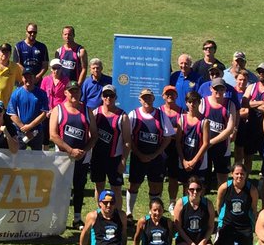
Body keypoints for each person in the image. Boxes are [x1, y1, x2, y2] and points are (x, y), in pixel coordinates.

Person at [50, 81, 94, 229]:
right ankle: (56, 218)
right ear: (66, 93)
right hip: (63, 157)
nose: (74, 94)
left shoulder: (87, 111)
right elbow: (53, 135)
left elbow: (94, 135)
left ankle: (77, 218)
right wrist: (70, 151)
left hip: (81, 157)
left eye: (77, 91)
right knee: (60, 188)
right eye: (71, 91)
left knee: (79, 187)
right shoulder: (58, 110)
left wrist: (84, 151)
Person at [126, 88, 174, 218]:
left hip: (156, 158)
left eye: (149, 97)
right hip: (138, 156)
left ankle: (153, 213)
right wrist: (138, 153)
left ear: (153, 99)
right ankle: (129, 212)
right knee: (134, 184)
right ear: (140, 100)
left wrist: (156, 154)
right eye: (144, 98)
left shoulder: (161, 115)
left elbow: (168, 137)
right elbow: (128, 136)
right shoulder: (133, 115)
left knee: (156, 186)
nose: (147, 100)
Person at [217, 163, 259, 245]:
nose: (239, 176)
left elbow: (254, 209)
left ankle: (241, 243)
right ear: (232, 174)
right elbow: (218, 205)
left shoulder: (252, 190)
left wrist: (255, 226)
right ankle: (231, 241)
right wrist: (221, 220)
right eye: (237, 173)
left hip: (244, 226)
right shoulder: (224, 187)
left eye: (242, 174)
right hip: (228, 224)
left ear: (246, 174)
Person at [90, 85, 127, 198]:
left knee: (116, 189)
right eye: (106, 95)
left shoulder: (122, 116)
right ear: (102, 97)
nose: (108, 98)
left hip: (114, 158)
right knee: (99, 186)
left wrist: (123, 161)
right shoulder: (95, 113)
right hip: (97, 157)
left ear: (116, 97)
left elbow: (127, 142)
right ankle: (100, 212)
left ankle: (117, 215)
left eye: (111, 95)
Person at [200, 77, 237, 187]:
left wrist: (211, 142)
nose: (218, 92)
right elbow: (198, 122)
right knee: (203, 176)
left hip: (222, 146)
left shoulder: (230, 105)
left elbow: (230, 129)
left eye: (221, 89)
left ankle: (222, 201)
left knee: (222, 178)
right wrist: (206, 142)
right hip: (205, 146)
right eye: (216, 89)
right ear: (211, 88)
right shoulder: (203, 102)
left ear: (225, 90)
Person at [175, 177, 217, 245]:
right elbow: (178, 227)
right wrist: (191, 244)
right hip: (185, 240)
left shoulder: (208, 204)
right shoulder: (181, 203)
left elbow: (211, 227)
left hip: (203, 239)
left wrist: (203, 242)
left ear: (201, 190)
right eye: (192, 189)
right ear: (187, 190)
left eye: (198, 189)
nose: (195, 192)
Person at [175, 91, 210, 201]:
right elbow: (178, 142)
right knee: (186, 186)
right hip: (185, 159)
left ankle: (200, 210)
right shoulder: (181, 119)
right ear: (186, 103)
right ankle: (186, 210)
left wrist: (194, 161)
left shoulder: (204, 121)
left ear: (199, 103)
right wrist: (183, 160)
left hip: (199, 161)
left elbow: (206, 144)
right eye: (189, 102)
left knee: (199, 188)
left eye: (194, 102)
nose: (192, 104)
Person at [8, 64, 50, 151]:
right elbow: (12, 114)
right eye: (25, 77)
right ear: (22, 78)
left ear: (34, 78)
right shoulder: (16, 93)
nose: (28, 79)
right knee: (18, 157)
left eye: (30, 77)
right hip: (20, 132)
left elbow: (43, 113)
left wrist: (30, 126)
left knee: (37, 158)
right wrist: (25, 129)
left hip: (36, 131)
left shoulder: (41, 93)